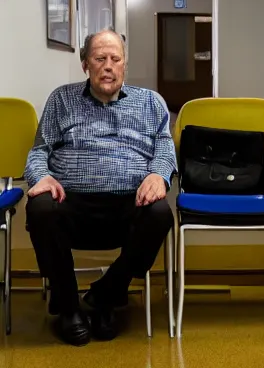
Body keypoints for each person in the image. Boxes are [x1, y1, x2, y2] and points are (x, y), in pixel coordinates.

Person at [24, 29, 176, 346]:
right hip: (72, 204)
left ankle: (107, 295)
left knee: (160, 213)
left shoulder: (150, 103)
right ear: (85, 65)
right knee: (39, 207)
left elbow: (164, 149)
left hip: (127, 206)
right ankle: (68, 308)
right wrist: (42, 177)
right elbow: (39, 152)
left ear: (125, 64)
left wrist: (159, 175)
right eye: (99, 59)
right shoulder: (61, 100)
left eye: (115, 59)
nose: (108, 66)